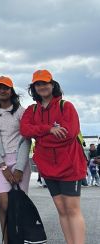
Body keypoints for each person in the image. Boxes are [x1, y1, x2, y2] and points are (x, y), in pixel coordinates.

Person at [20, 69, 87, 244]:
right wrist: (49, 129)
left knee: (72, 209)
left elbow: (69, 134)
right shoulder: (32, 110)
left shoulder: (66, 106)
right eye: (38, 84)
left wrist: (40, 137)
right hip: (48, 168)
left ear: (52, 84)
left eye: (45, 83)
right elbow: (25, 130)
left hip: (69, 166)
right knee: (61, 210)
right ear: (34, 87)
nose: (42, 86)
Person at [0, 76, 31, 243]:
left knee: (19, 205)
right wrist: (2, 166)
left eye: (6, 88)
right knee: (4, 204)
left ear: (11, 91)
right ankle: (6, 240)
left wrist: (19, 168)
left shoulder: (22, 112)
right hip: (0, 163)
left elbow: (26, 139)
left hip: (20, 161)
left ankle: (20, 239)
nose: (2, 91)